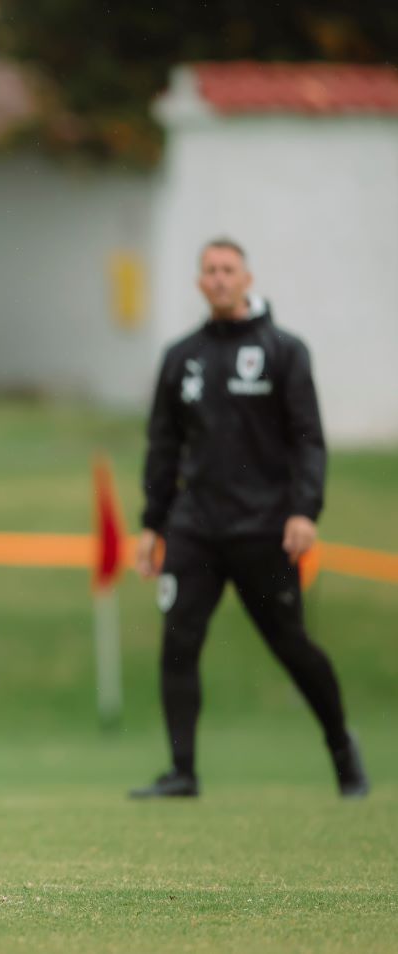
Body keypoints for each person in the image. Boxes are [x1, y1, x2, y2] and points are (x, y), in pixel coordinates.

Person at [131, 238, 368, 799]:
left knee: (292, 646)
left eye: (227, 270)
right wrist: (152, 523)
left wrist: (304, 510)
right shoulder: (180, 356)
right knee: (179, 641)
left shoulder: (284, 350)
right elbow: (163, 446)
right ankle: (182, 771)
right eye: (209, 270)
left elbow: (309, 439)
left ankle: (341, 747)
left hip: (263, 529)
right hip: (195, 529)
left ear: (246, 278)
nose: (218, 279)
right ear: (198, 283)